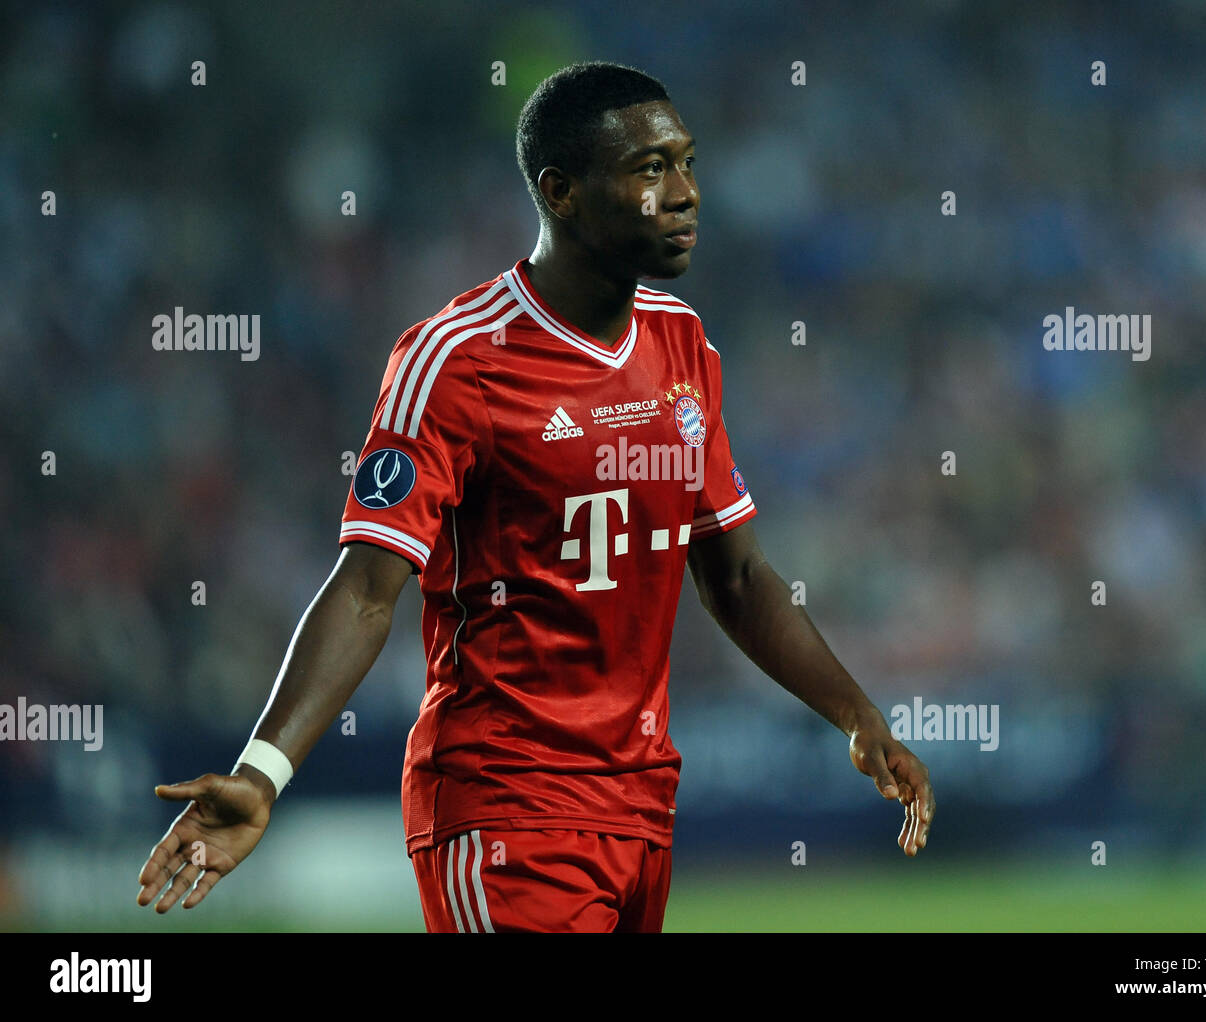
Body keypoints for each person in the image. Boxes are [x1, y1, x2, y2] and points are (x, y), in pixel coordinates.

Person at [136, 60, 934, 933]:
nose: (685, 193)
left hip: (639, 806)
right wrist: (261, 772)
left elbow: (736, 577)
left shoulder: (682, 344)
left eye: (688, 162)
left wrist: (857, 716)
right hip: (505, 803)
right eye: (649, 169)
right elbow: (366, 590)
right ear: (561, 192)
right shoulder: (454, 360)